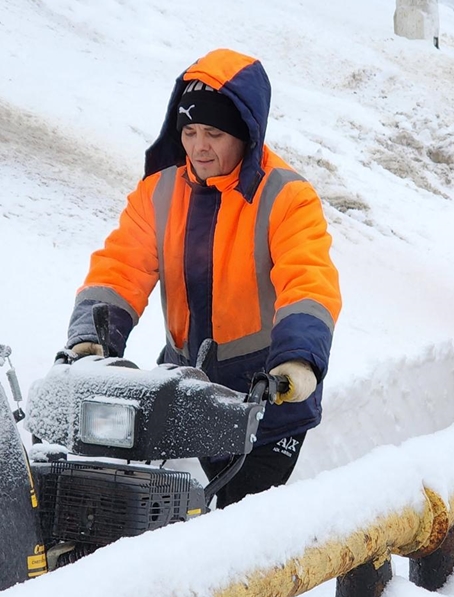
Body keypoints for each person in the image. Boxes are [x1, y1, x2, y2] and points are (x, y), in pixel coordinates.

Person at [65, 48, 342, 508]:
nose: (200, 146)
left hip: (267, 400)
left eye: (214, 132)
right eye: (189, 132)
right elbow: (121, 268)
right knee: (149, 510)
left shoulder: (286, 198)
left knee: (239, 523)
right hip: (184, 388)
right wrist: (92, 338)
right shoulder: (159, 193)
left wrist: (298, 361)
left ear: (248, 133)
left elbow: (308, 283)